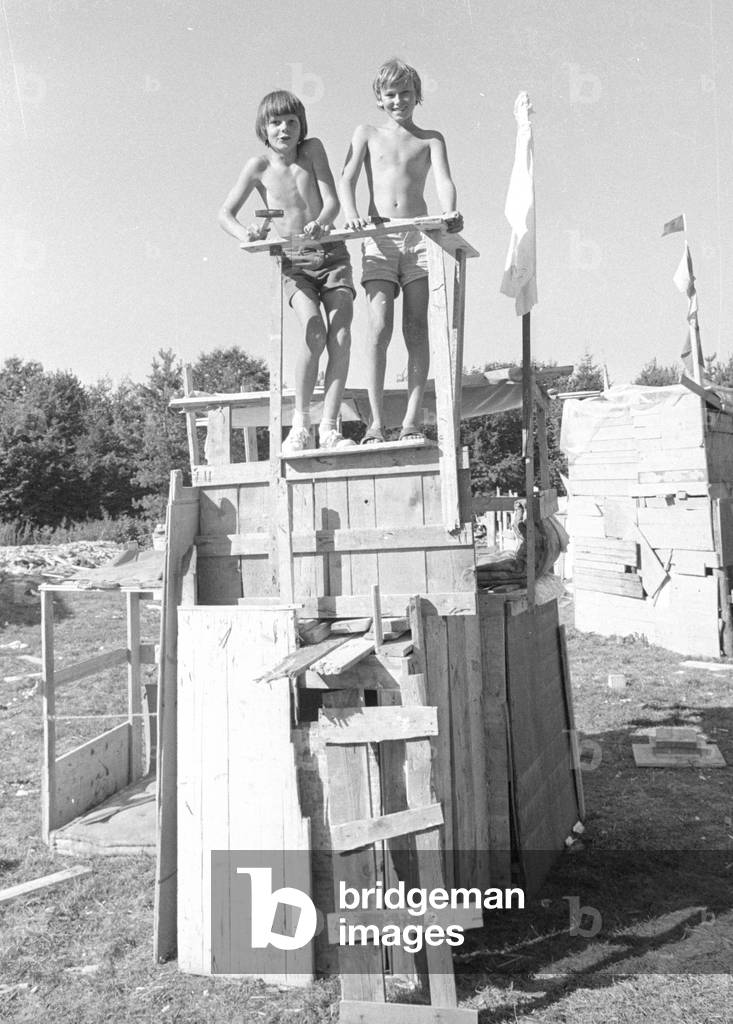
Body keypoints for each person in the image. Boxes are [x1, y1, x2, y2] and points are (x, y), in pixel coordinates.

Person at [219, 90, 356, 453]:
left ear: (301, 126)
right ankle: (299, 424)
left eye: (291, 122)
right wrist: (245, 233)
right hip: (295, 259)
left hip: (331, 252)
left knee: (340, 335)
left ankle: (328, 427)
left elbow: (331, 202)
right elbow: (225, 215)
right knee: (314, 331)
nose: (284, 129)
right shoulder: (258, 167)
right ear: (264, 128)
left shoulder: (312, 150)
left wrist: (323, 222)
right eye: (276, 122)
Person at [339, 58, 463, 444]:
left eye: (406, 93)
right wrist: (353, 214)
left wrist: (449, 213)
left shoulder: (430, 138)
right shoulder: (367, 133)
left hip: (418, 236)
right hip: (380, 237)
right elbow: (347, 178)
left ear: (417, 95)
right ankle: (375, 423)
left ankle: (411, 420)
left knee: (416, 328)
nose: (398, 100)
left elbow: (444, 180)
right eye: (391, 94)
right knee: (378, 328)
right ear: (379, 98)